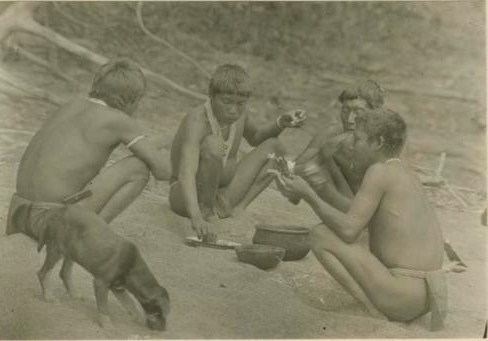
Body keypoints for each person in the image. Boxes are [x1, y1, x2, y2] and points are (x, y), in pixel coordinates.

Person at [274, 108, 450, 330]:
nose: (351, 144)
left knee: (320, 234)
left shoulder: (378, 172)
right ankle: (381, 305)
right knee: (352, 236)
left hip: (403, 295)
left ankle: (371, 310)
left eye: (358, 139)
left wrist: (308, 195)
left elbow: (348, 230)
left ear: (377, 142)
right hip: (428, 295)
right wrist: (311, 186)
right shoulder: (403, 172)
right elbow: (355, 214)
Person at [6, 58, 169, 242]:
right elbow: (163, 171)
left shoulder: (71, 106)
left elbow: (145, 145)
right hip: (49, 220)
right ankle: (92, 237)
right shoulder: (118, 120)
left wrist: (162, 141)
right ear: (132, 99)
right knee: (137, 167)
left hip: (19, 216)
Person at [169, 64, 306, 241]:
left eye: (240, 104)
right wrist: (196, 217)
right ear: (211, 96)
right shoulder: (197, 121)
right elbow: (186, 173)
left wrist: (281, 122)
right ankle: (207, 213)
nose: (233, 110)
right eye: (226, 102)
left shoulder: (240, 115)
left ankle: (236, 209)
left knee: (275, 146)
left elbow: (256, 137)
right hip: (187, 197)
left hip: (223, 194)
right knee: (214, 143)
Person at [292, 80, 385, 207]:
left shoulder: (381, 140)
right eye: (345, 110)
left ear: (374, 113)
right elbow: (296, 168)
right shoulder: (332, 132)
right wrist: (323, 155)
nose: (349, 119)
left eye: (358, 112)